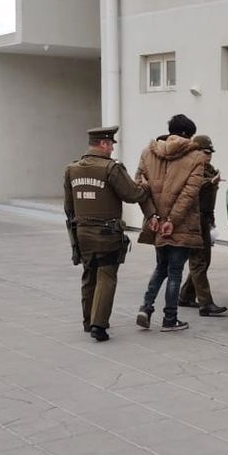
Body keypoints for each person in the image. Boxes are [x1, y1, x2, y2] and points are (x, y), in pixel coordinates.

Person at [64, 126, 154, 342]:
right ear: (103, 144)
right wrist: (146, 188)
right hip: (106, 232)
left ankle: (88, 321)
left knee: (89, 275)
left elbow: (69, 206)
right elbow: (131, 194)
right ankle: (99, 325)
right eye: (111, 143)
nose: (113, 147)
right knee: (106, 276)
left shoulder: (72, 169)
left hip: (82, 232)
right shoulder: (111, 168)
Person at [134, 114, 208, 331]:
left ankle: (146, 308)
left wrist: (152, 217)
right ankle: (170, 319)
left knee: (161, 267)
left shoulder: (148, 152)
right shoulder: (196, 157)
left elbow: (140, 187)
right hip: (181, 224)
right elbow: (189, 193)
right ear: (188, 134)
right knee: (175, 271)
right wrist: (172, 221)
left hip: (156, 223)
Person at [178, 135, 228, 316]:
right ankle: (205, 303)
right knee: (198, 261)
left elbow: (209, 199)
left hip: (204, 219)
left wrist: (212, 219)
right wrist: (210, 182)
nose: (209, 156)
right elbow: (192, 186)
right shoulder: (189, 168)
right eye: (206, 152)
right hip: (192, 220)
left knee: (204, 261)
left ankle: (185, 295)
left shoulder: (209, 169)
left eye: (210, 153)